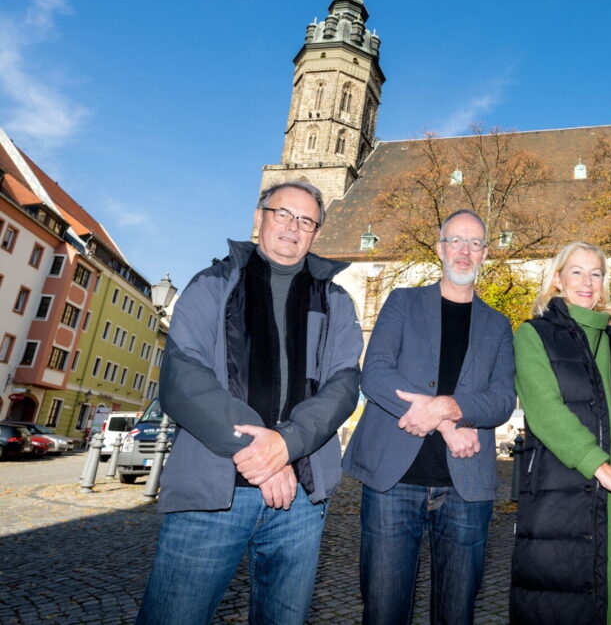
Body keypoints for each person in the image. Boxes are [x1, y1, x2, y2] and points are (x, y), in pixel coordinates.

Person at [136, 181, 363, 625]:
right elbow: (183, 379)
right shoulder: (212, 284)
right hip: (212, 492)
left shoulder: (335, 300)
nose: (293, 227)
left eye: (306, 221)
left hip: (300, 498)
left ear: (316, 232)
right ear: (259, 216)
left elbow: (343, 384)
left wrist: (288, 444)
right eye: (283, 214)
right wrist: (266, 452)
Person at [343, 208, 516, 625]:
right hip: (393, 482)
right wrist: (443, 423)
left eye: (474, 244)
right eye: (455, 241)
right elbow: (376, 374)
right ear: (440, 248)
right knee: (384, 611)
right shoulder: (403, 301)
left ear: (485, 254)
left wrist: (450, 409)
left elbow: (502, 399)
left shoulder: (498, 325)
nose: (464, 251)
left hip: (465, 487)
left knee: (456, 614)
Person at [509, 242, 611, 625]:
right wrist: (607, 472)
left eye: (596, 273)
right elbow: (546, 412)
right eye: (576, 271)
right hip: (565, 495)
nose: (587, 282)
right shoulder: (533, 335)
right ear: (557, 279)